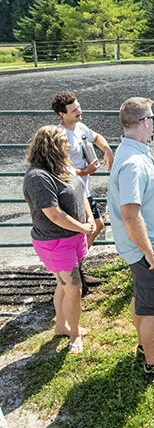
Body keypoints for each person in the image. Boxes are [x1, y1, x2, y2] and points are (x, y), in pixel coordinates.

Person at [107, 97, 154, 386]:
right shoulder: (134, 162)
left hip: (146, 246)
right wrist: (148, 252)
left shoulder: (132, 150)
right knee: (153, 308)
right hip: (145, 249)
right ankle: (152, 364)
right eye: (150, 119)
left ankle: (143, 347)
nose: (152, 124)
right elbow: (129, 212)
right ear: (145, 122)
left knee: (142, 297)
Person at [22, 125, 95, 355]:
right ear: (51, 145)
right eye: (64, 141)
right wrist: (83, 226)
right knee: (74, 289)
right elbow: (54, 214)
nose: (69, 144)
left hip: (74, 237)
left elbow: (81, 192)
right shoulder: (37, 177)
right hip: (55, 242)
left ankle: (61, 326)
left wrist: (90, 217)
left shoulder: (64, 166)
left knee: (63, 285)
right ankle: (74, 335)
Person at [51, 91, 115, 290]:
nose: (79, 111)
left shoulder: (81, 127)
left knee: (97, 225)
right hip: (72, 192)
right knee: (84, 230)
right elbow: (58, 169)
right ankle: (73, 272)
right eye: (74, 110)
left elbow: (97, 137)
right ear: (62, 114)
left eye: (78, 106)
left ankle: (76, 268)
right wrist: (85, 171)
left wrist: (107, 150)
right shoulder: (59, 136)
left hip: (84, 191)